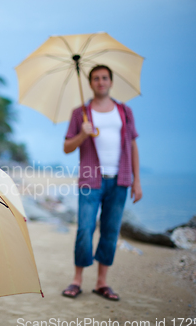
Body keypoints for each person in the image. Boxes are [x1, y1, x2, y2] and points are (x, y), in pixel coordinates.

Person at [61, 65, 142, 301]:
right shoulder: (80, 113)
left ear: (111, 82)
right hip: (90, 180)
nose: (100, 82)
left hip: (120, 181)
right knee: (85, 229)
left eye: (104, 78)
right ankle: (77, 280)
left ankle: (101, 282)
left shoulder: (124, 111)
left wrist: (137, 181)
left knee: (110, 231)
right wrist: (82, 134)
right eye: (96, 78)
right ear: (90, 83)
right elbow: (67, 147)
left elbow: (133, 146)